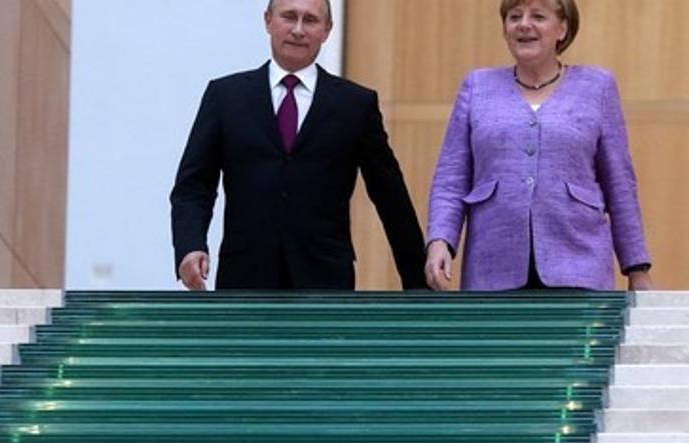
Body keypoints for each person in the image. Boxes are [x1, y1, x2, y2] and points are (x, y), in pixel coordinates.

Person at [170, 0, 427, 291]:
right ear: (268, 20)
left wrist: (418, 284)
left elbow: (390, 196)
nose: (298, 30)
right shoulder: (225, 97)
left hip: (324, 281)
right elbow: (194, 185)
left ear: (327, 30)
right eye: (289, 17)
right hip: (244, 279)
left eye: (311, 20)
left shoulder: (355, 105)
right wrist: (190, 245)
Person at [425, 0, 655, 292]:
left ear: (562, 28)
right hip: (493, 267)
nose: (523, 24)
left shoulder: (597, 87)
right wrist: (440, 241)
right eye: (514, 16)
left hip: (579, 267)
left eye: (538, 16)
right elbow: (451, 177)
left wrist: (637, 268)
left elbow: (620, 184)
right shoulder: (477, 86)